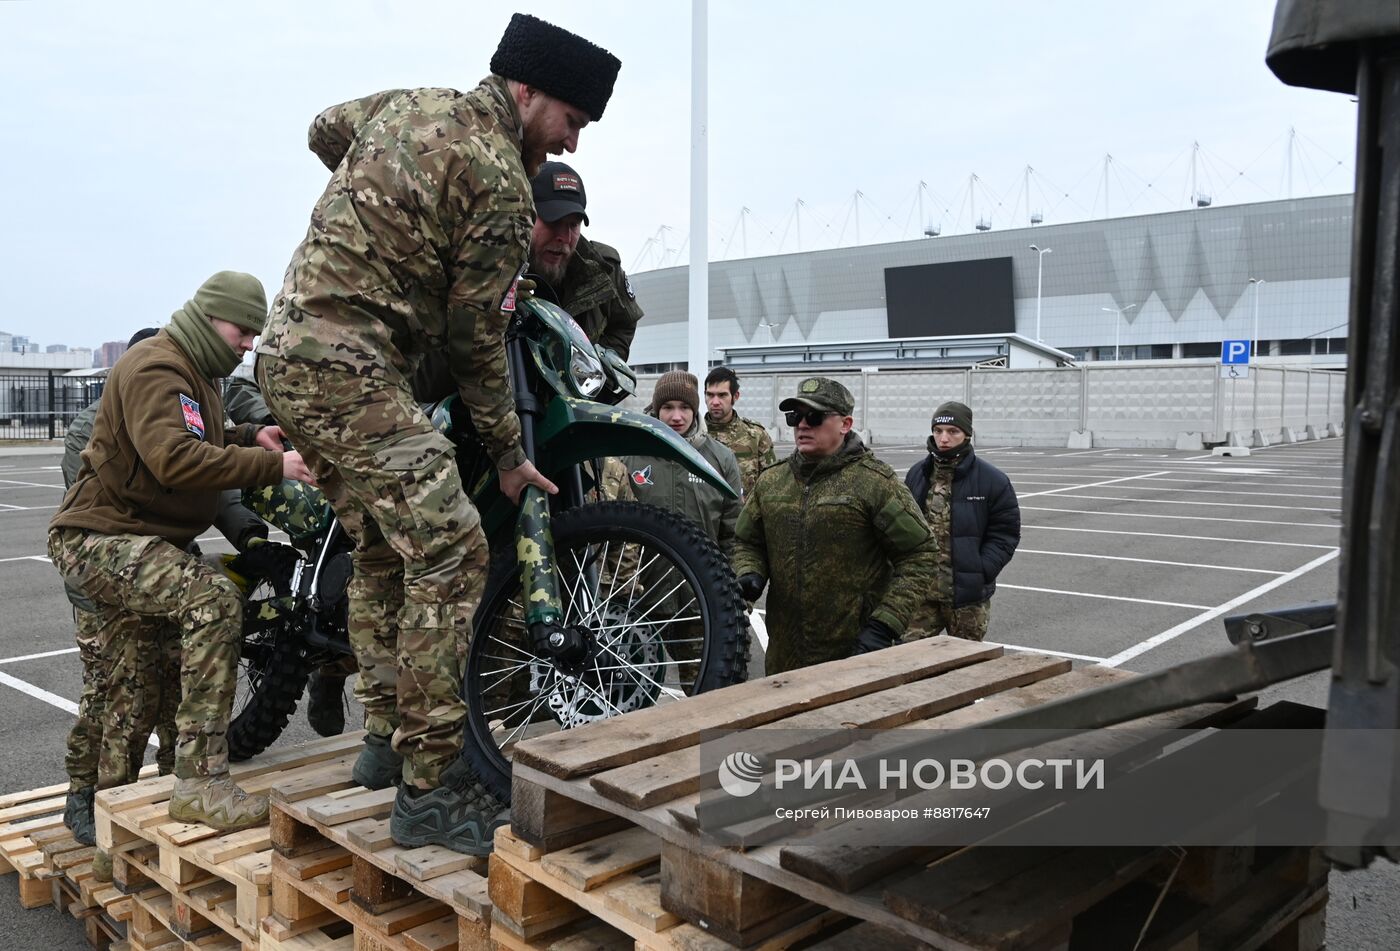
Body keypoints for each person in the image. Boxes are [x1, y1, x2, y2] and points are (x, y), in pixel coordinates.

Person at [254, 14, 621, 856]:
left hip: (289, 355)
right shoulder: (498, 184)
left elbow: (323, 128)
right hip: (347, 364)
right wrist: (510, 455)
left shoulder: (409, 107)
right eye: (572, 120)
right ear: (527, 92)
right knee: (453, 549)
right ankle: (429, 786)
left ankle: (382, 739)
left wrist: (380, 205)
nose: (575, 139)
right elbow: (474, 343)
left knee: (384, 546)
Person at [47, 272, 315, 880]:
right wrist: (277, 464)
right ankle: (194, 782)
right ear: (211, 317)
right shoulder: (155, 366)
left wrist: (251, 434)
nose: (248, 343)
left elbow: (201, 434)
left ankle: (140, 798)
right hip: (103, 540)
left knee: (142, 678)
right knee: (213, 604)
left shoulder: (197, 374)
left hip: (145, 542)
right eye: (242, 330)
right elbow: (174, 456)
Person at [59, 330, 274, 847]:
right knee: (116, 693)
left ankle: (176, 781)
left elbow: (208, 469)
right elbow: (94, 517)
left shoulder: (184, 405)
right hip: (111, 569)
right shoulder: (92, 426)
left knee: (177, 678)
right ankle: (89, 795)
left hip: (163, 559)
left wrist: (247, 532)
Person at [731, 377, 937, 675]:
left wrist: (885, 624)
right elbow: (746, 541)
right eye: (795, 416)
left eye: (814, 416)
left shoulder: (874, 482)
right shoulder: (772, 481)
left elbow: (921, 554)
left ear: (845, 424)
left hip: (854, 657)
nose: (802, 424)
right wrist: (750, 571)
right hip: (783, 660)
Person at [223, 365, 358, 738]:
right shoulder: (304, 337)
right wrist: (281, 427)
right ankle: (328, 673)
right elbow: (241, 385)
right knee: (339, 591)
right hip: (326, 482)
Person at [903, 402, 1020, 642]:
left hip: (967, 597)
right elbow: (903, 527)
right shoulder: (917, 474)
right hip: (921, 593)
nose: (943, 438)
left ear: (967, 433)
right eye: (938, 431)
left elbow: (1005, 534)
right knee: (907, 658)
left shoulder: (992, 480)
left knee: (966, 665)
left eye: (952, 431)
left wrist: (981, 569)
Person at [527, 161, 644, 360]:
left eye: (573, 224)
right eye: (553, 222)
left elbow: (624, 324)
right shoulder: (498, 266)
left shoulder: (604, 269)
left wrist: (594, 372)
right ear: (526, 214)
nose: (564, 237)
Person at [704, 366, 776, 496]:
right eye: (710, 395)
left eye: (722, 395)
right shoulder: (696, 434)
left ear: (735, 396)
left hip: (744, 514)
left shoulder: (756, 435)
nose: (715, 402)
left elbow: (772, 483)